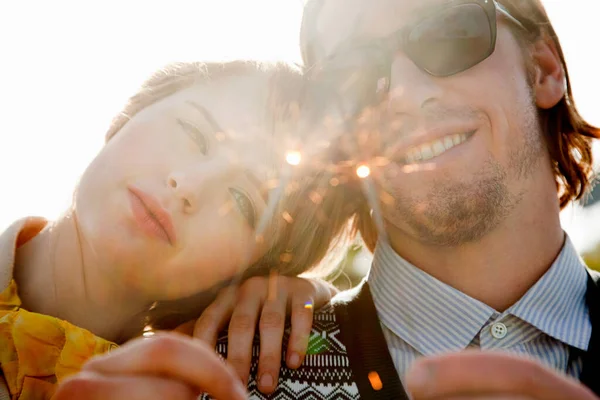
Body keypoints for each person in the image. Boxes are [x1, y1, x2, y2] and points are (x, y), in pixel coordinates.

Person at [195, 0, 600, 398]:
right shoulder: (219, 381)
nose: (404, 94)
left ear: (545, 70)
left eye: (448, 32)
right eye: (351, 72)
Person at [0, 60, 361, 400]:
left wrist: (318, 302)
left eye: (243, 201)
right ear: (129, 114)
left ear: (247, 271)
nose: (188, 185)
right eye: (194, 132)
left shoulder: (195, 385)